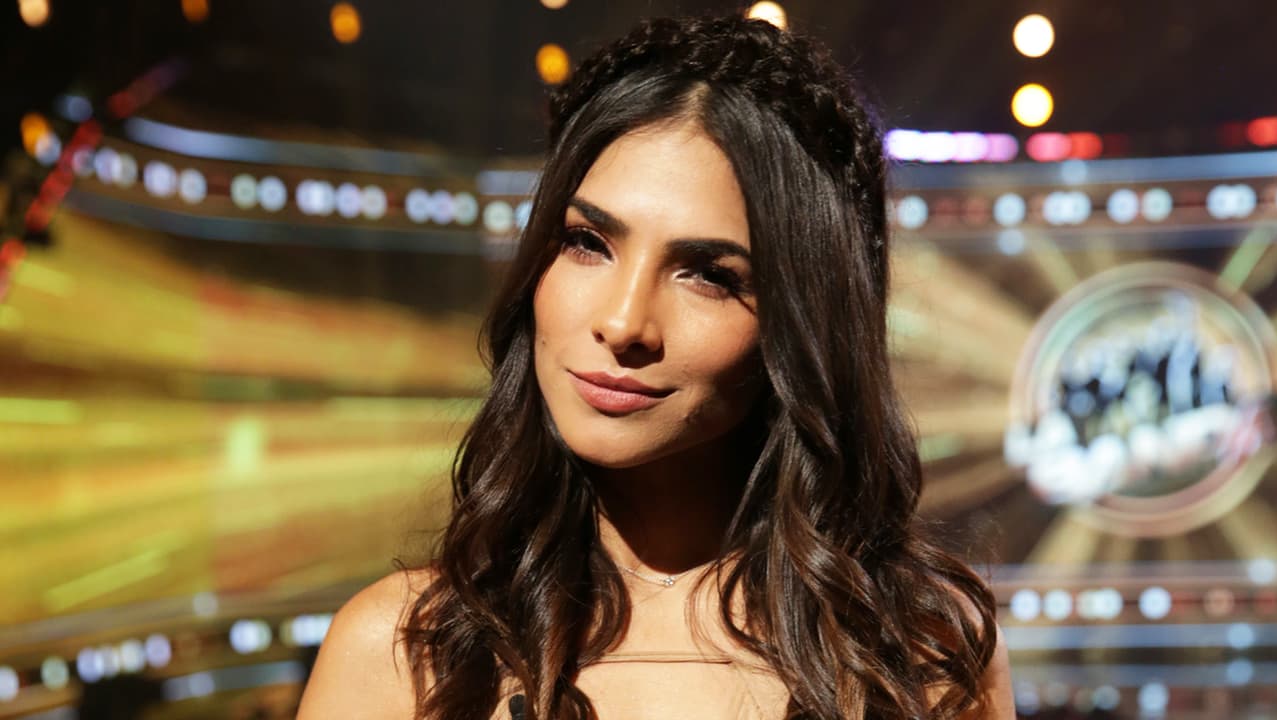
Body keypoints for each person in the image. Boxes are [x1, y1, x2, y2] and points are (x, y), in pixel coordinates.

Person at [298, 14, 1013, 720]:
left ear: (805, 322)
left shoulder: (924, 652)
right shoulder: (401, 654)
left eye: (708, 274)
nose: (622, 323)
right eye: (587, 242)